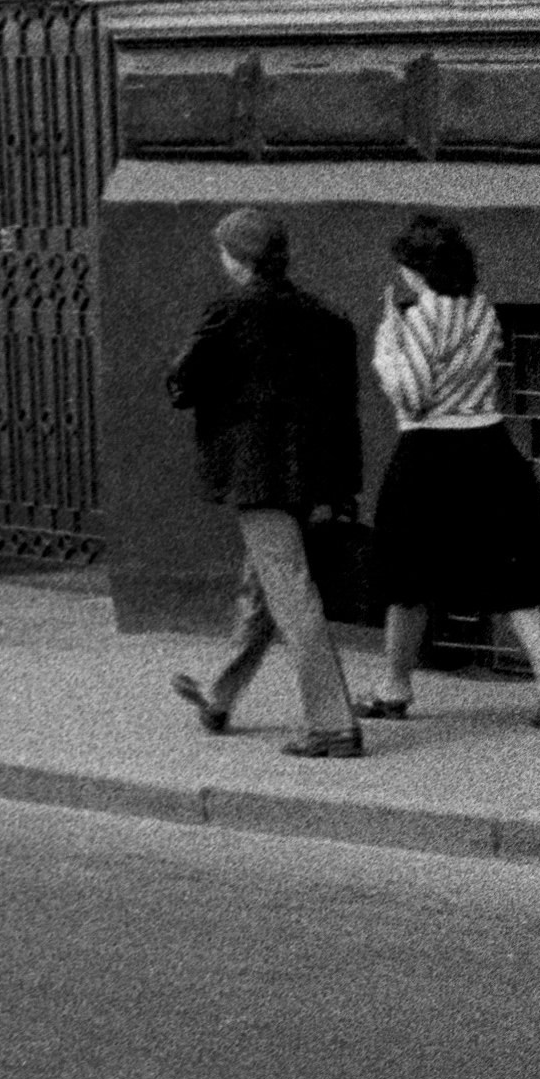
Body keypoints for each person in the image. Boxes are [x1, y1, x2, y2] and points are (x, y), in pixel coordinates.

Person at [359, 213, 540, 729]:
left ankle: (394, 685)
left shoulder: (421, 318)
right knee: (512, 570)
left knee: (405, 574)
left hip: (429, 454)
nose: (403, 278)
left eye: (406, 269)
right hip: (489, 446)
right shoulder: (482, 311)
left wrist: (386, 344)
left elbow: (412, 398)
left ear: (419, 269)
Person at [166, 205, 369, 757]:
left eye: (225, 253)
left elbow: (182, 384)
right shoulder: (326, 317)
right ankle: (220, 694)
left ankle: (332, 726)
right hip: (314, 476)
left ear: (240, 260)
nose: (223, 262)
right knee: (266, 586)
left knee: (290, 593)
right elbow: (344, 409)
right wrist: (343, 485)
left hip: (257, 476)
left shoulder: (230, 312)